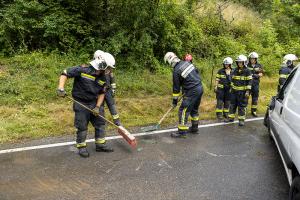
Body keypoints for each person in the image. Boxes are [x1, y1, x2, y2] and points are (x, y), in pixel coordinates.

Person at [56, 51, 114, 158]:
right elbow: (65, 73)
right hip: (81, 103)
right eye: (108, 67)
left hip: (95, 103)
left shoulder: (104, 78)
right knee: (82, 126)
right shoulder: (82, 70)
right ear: (102, 64)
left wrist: (97, 107)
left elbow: (102, 92)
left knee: (100, 124)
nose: (109, 70)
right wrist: (61, 88)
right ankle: (82, 147)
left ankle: (100, 145)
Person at [164, 52, 203, 138]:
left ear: (170, 61)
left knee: (183, 110)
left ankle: (182, 132)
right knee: (194, 109)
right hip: (199, 87)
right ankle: (194, 128)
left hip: (192, 91)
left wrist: (174, 101)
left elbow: (176, 89)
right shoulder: (187, 62)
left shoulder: (176, 71)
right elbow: (196, 72)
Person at [94, 51, 121, 126]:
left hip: (108, 91)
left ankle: (117, 121)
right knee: (101, 107)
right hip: (100, 91)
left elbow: (112, 79)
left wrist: (113, 89)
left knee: (112, 105)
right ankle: (102, 122)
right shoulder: (97, 69)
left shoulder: (109, 69)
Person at [226, 55, 252, 126]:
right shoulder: (235, 70)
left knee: (242, 106)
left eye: (241, 62)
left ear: (244, 62)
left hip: (243, 93)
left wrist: (247, 91)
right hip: (234, 92)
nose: (239, 63)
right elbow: (232, 80)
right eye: (238, 62)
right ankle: (230, 118)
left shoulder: (247, 71)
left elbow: (250, 82)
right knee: (232, 105)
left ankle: (241, 120)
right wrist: (231, 88)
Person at [247, 52, 263, 117]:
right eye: (251, 59)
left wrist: (253, 75)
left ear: (256, 59)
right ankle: (244, 110)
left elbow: (261, 74)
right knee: (246, 97)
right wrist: (256, 75)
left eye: (253, 59)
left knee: (255, 98)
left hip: (256, 84)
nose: (252, 60)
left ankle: (253, 111)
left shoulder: (259, 65)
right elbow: (246, 74)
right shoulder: (246, 65)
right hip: (248, 84)